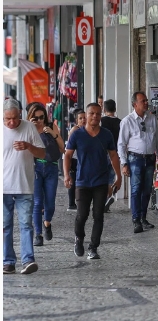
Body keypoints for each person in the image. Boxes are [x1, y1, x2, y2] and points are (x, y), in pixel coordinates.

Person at [63, 103, 121, 260]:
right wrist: (67, 175)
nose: (95, 116)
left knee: (98, 215)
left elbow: (114, 155)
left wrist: (118, 175)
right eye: (92, 113)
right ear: (86, 116)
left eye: (97, 114)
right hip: (82, 181)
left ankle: (93, 247)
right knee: (82, 215)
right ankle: (79, 238)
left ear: (101, 115)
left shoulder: (106, 134)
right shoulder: (77, 134)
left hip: (101, 181)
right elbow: (67, 155)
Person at [3, 98, 45, 275]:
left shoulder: (28, 127)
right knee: (5, 225)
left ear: (20, 113)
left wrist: (29, 146)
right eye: (7, 119)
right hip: (3, 187)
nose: (11, 122)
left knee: (26, 224)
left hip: (25, 185)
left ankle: (28, 260)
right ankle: (8, 262)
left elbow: (42, 153)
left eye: (14, 118)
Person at [118, 92, 158, 234]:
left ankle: (143, 217)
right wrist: (124, 163)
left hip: (150, 158)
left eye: (146, 100)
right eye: (142, 101)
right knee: (136, 189)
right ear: (134, 104)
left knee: (147, 189)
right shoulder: (127, 121)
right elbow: (121, 144)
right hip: (135, 159)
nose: (146, 103)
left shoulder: (152, 119)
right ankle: (136, 219)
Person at [27, 103, 64, 247]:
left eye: (41, 117)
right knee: (37, 203)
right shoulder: (27, 128)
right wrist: (30, 128)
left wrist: (53, 133)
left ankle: (47, 223)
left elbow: (62, 147)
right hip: (35, 168)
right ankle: (38, 234)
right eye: (35, 118)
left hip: (51, 168)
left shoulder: (50, 126)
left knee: (50, 202)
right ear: (31, 117)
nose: (39, 120)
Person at [100, 99, 122, 212]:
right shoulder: (120, 122)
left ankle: (104, 201)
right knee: (111, 178)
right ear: (115, 109)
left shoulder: (101, 121)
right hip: (115, 154)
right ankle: (108, 198)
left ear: (104, 109)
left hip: (103, 153)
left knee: (103, 178)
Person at [66, 109, 86, 211]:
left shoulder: (87, 130)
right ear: (77, 120)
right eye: (80, 118)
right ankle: (71, 203)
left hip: (83, 159)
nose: (83, 120)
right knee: (73, 181)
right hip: (74, 159)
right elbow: (69, 148)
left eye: (84, 118)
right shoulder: (75, 130)